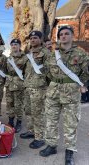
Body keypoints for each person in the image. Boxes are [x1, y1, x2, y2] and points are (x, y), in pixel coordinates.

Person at [39, 26, 89, 165]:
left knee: (70, 123)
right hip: (53, 91)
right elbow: (47, 72)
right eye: (61, 34)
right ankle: (52, 145)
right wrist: (54, 83)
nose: (63, 36)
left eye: (67, 34)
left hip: (72, 92)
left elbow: (86, 72)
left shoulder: (81, 53)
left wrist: (82, 85)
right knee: (51, 120)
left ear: (72, 36)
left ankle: (69, 151)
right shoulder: (52, 54)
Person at [20, 31, 50, 149]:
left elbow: (49, 71)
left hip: (39, 88)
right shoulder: (27, 53)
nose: (32, 40)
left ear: (41, 39)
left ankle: (40, 137)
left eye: (35, 38)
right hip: (27, 86)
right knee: (28, 111)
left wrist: (47, 87)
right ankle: (31, 131)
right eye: (31, 38)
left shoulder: (46, 53)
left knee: (38, 113)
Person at [5, 39, 27, 132]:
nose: (14, 46)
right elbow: (5, 70)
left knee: (18, 105)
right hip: (9, 83)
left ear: (19, 46)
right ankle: (10, 121)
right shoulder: (9, 58)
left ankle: (19, 122)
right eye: (12, 45)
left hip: (19, 84)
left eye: (16, 44)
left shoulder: (25, 58)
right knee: (10, 103)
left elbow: (27, 72)